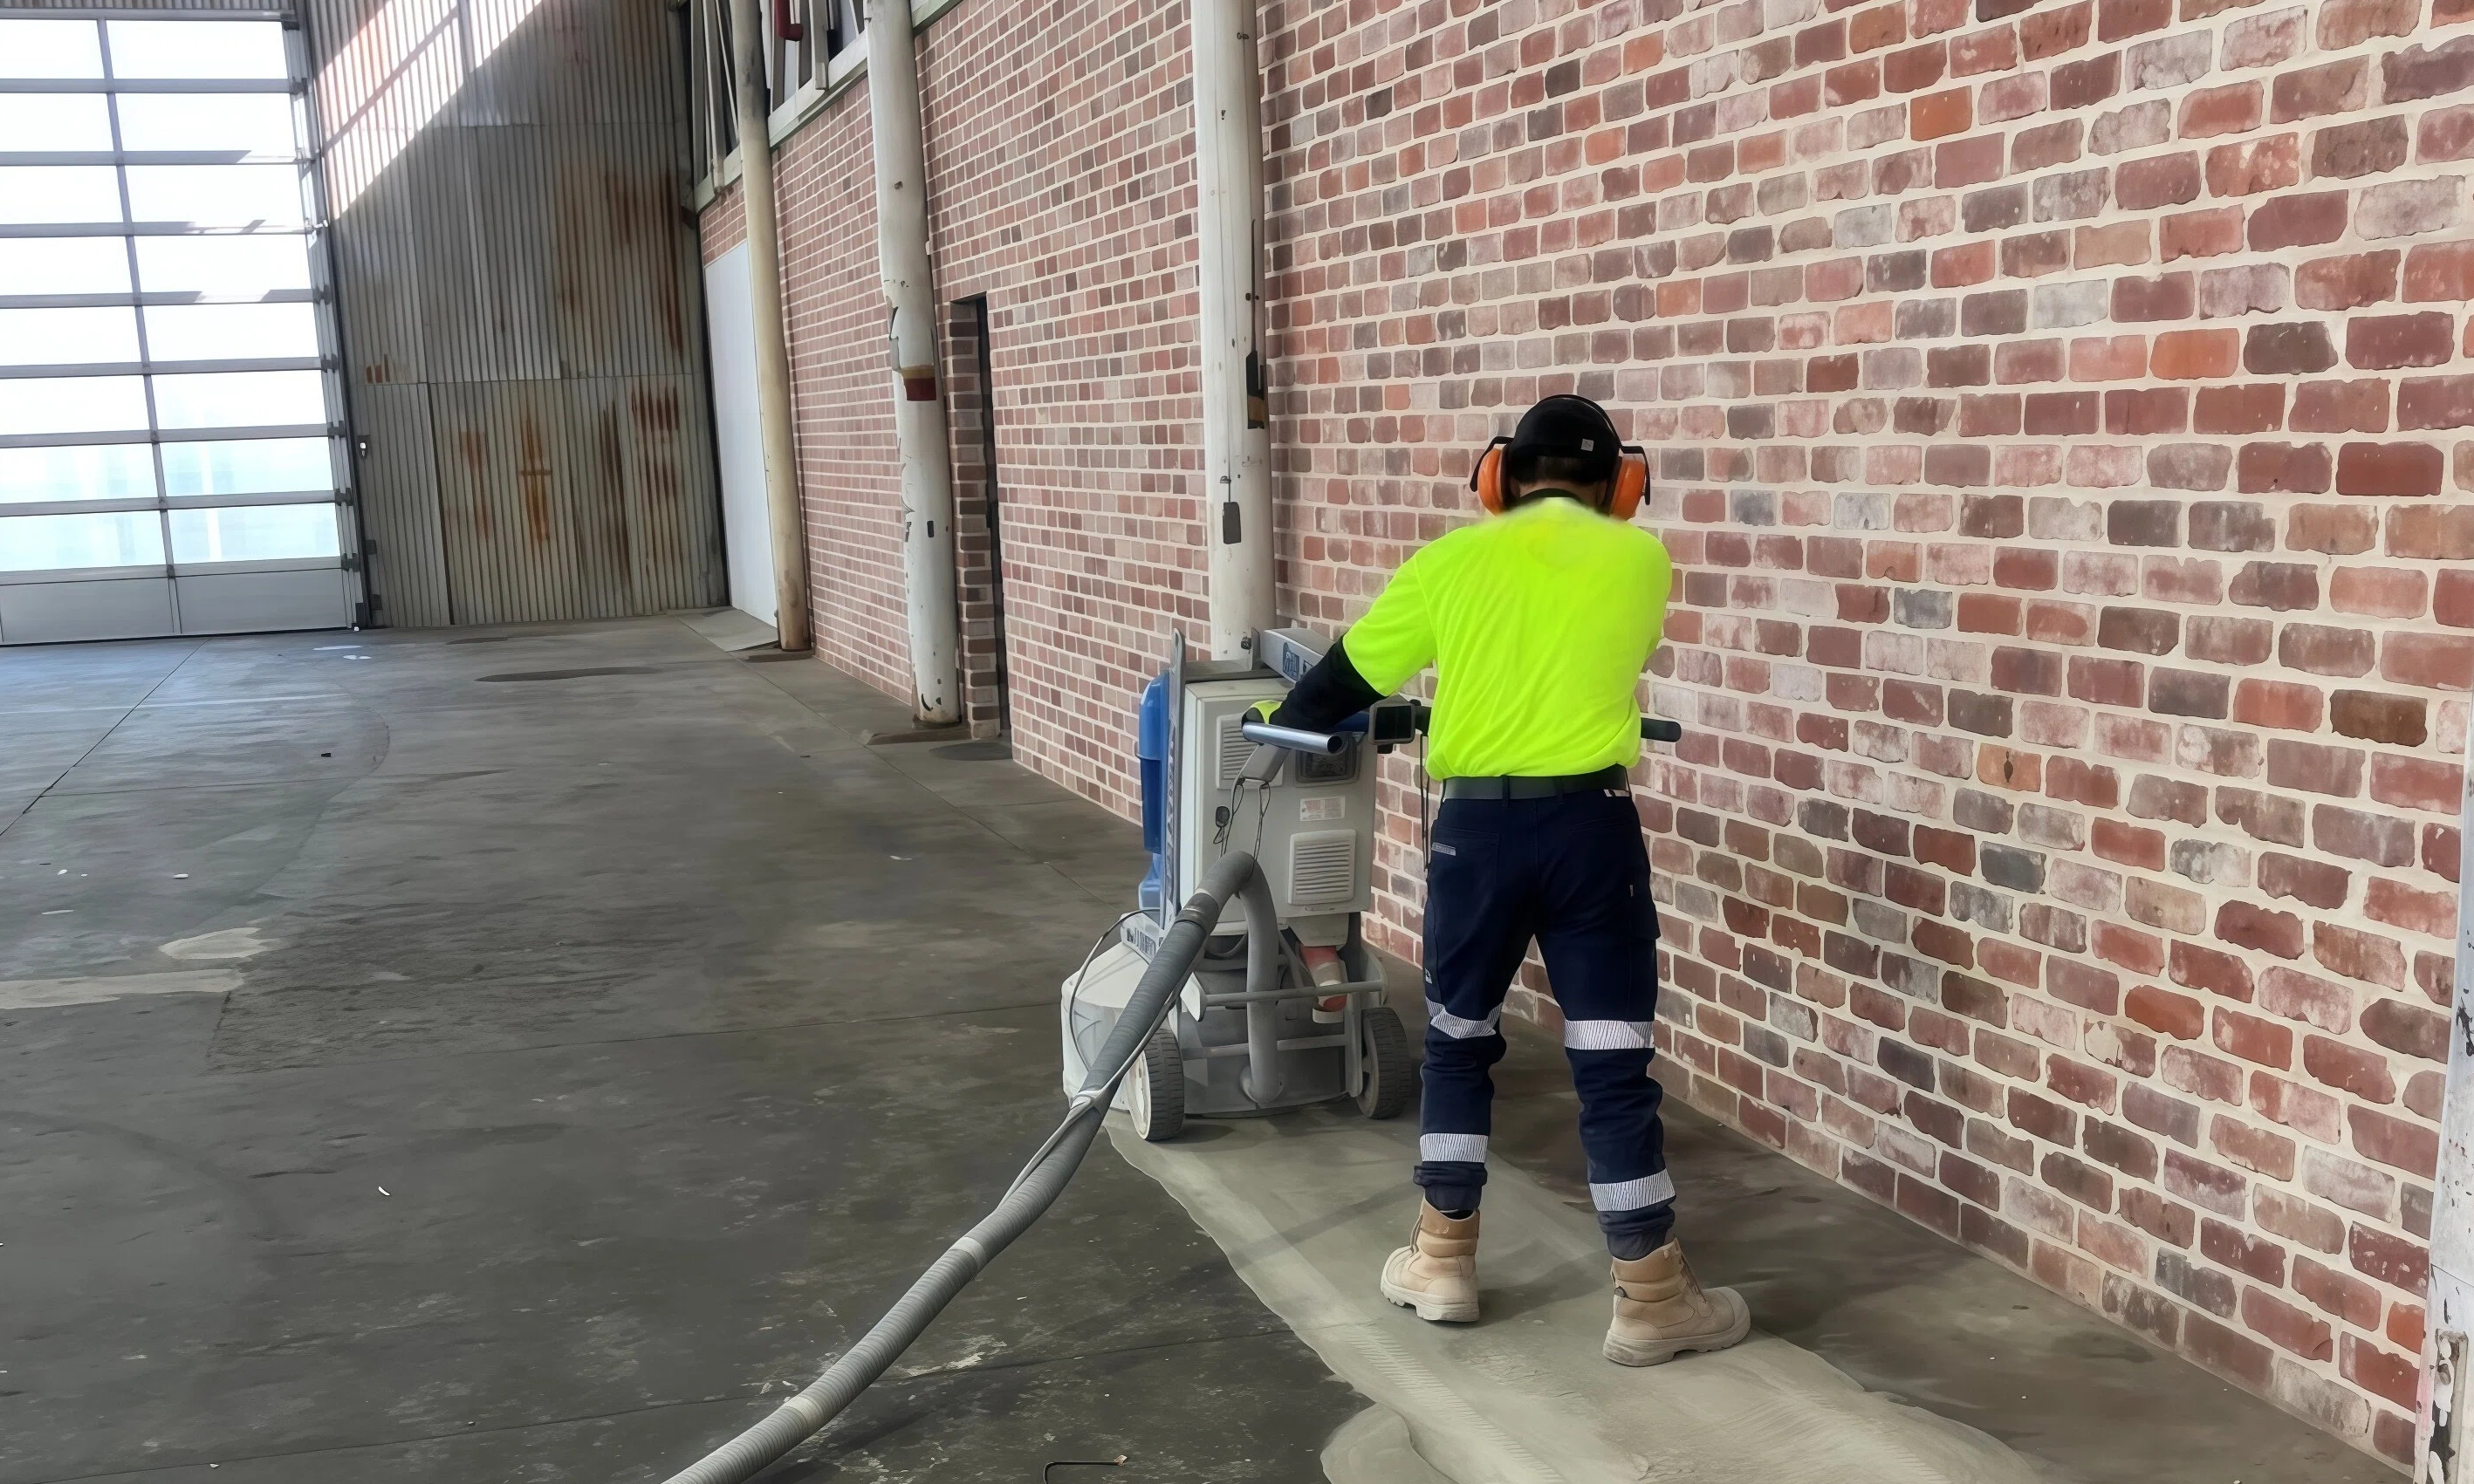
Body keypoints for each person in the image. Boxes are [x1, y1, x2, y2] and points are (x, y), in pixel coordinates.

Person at [1258, 393, 1750, 1366]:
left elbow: (1349, 679)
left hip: (1476, 834)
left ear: (1497, 479)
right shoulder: (1642, 559)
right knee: (1612, 1062)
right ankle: (1651, 1296)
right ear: (1623, 487)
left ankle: (1442, 1260)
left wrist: (1284, 719)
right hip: (1592, 829)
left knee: (1457, 1041)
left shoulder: (1449, 561)